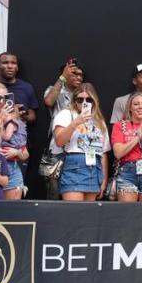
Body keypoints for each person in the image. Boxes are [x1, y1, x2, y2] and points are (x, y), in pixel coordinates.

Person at [53, 83, 110, 201]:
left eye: (89, 99)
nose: (85, 103)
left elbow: (103, 152)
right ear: (75, 101)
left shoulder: (99, 120)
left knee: (88, 214)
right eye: (80, 99)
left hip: (94, 167)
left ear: (94, 101)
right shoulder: (66, 114)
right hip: (74, 165)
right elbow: (59, 141)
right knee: (74, 212)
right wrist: (75, 123)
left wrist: (103, 180)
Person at [41, 59, 84, 199]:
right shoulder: (55, 89)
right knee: (54, 193)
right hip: (57, 150)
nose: (78, 77)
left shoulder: (84, 97)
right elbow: (48, 101)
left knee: (74, 193)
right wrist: (62, 78)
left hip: (78, 150)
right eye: (73, 73)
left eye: (80, 75)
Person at [0, 51, 40, 126]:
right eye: (5, 63)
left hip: (19, 134)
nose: (10, 66)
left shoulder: (26, 87)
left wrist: (22, 115)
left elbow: (32, 116)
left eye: (13, 63)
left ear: (17, 67)